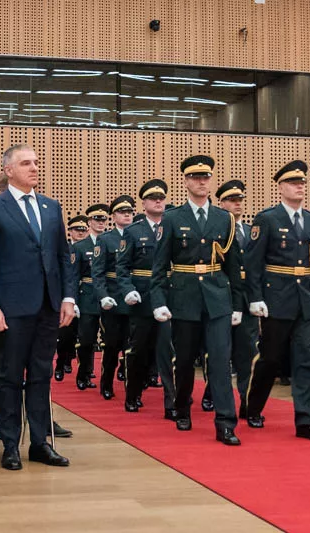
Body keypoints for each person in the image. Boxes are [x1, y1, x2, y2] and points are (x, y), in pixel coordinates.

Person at [0, 143, 74, 470]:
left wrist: (68, 298)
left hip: (48, 304)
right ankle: (10, 444)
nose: (34, 167)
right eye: (25, 163)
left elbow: (62, 257)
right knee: (9, 376)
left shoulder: (51, 207)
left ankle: (40, 442)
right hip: (11, 307)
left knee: (41, 375)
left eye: (35, 162)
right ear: (8, 170)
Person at [150, 155, 243, 446]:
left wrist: (238, 304)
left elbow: (233, 266)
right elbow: (159, 266)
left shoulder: (224, 218)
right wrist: (159, 300)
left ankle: (225, 423)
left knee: (220, 361)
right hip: (184, 297)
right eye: (195, 177)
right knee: (185, 361)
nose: (201, 182)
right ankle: (182, 408)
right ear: (186, 181)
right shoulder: (172, 218)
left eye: (206, 177)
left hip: (217, 299)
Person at [244, 160, 310, 441]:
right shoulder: (267, 219)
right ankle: (253, 407)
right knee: (270, 359)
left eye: (302, 182)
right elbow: (253, 263)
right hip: (277, 299)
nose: (299, 187)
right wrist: (255, 298)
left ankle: (305, 421)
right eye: (293, 183)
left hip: (307, 300)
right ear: (281, 187)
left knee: (305, 362)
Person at [116, 179, 174, 414]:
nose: (158, 201)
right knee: (139, 350)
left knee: (168, 350)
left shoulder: (172, 226)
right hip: (142, 298)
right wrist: (127, 289)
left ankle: (172, 402)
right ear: (144, 204)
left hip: (168, 296)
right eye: (153, 198)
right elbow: (122, 267)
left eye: (161, 198)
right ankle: (133, 393)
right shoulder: (133, 231)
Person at [213, 179, 258, 417]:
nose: (237, 204)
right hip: (222, 296)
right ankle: (214, 396)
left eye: (240, 199)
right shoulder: (215, 230)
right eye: (231, 200)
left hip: (247, 299)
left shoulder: (252, 232)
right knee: (217, 352)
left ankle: (247, 402)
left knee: (247, 353)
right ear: (221, 203)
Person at [92, 195, 135, 400]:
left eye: (129, 212)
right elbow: (98, 272)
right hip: (113, 299)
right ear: (113, 216)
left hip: (134, 299)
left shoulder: (138, 236)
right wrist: (103, 296)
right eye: (121, 212)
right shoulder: (106, 239)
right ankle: (106, 382)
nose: (126, 215)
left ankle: (132, 388)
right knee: (111, 345)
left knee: (132, 347)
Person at [72, 203, 109, 390]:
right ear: (89, 222)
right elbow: (73, 277)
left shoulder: (111, 242)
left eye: (103, 219)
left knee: (110, 341)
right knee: (86, 340)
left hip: (108, 296)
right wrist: (73, 301)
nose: (101, 222)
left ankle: (106, 378)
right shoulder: (80, 247)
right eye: (97, 219)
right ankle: (84, 374)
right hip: (87, 295)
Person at [55, 215, 89, 382]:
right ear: (70, 231)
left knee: (83, 335)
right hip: (67, 295)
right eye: (77, 230)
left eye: (83, 230)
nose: (80, 233)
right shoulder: (66, 249)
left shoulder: (91, 248)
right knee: (65, 333)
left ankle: (83, 368)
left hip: (86, 295)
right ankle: (61, 363)